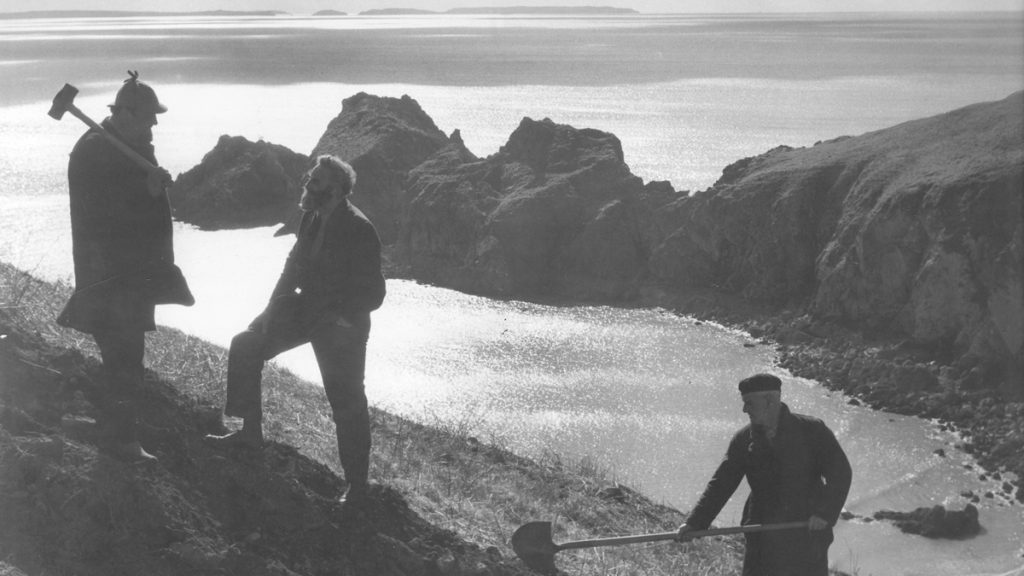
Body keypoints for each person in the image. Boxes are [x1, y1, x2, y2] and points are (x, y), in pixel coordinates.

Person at [207, 154, 386, 505]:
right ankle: (250, 433)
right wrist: (269, 311)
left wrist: (340, 318)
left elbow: (374, 293)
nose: (306, 184)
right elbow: (292, 268)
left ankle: (357, 487)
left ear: (333, 190)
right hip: (306, 311)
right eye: (309, 178)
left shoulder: (359, 228)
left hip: (341, 324)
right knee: (246, 344)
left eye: (314, 181)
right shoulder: (310, 217)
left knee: (346, 401)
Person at [58, 70, 194, 463]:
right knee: (126, 357)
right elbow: (101, 216)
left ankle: (110, 429)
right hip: (111, 278)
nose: (155, 123)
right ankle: (121, 442)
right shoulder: (94, 151)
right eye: (150, 116)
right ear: (127, 113)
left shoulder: (129, 143)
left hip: (132, 276)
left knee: (123, 356)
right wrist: (145, 191)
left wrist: (150, 186)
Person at [677, 373, 852, 576]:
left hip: (806, 534)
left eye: (749, 403)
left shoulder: (812, 430)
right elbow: (721, 483)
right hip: (761, 533)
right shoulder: (743, 439)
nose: (744, 410)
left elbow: (840, 473)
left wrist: (825, 513)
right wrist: (694, 523)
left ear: (769, 400)